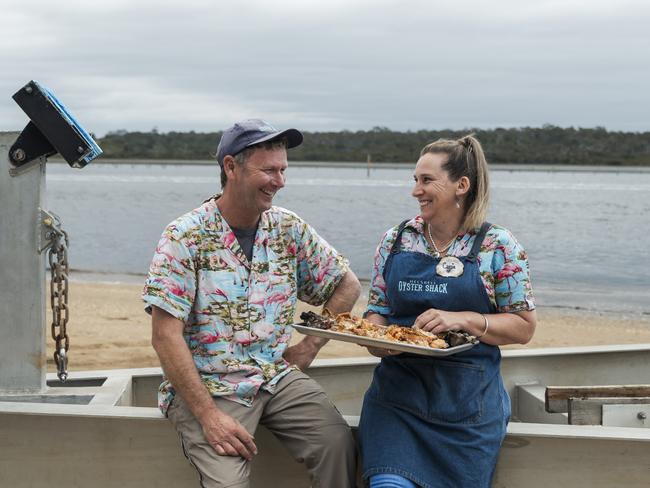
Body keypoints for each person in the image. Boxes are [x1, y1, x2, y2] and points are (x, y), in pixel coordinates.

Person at [142, 119, 361, 487]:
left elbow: (347, 286)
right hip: (209, 386)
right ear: (231, 167)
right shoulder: (184, 236)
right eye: (269, 170)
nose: (280, 181)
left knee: (339, 443)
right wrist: (208, 416)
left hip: (275, 376)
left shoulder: (288, 229)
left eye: (283, 170)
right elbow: (165, 336)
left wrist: (309, 347)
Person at [358, 135, 537, 488]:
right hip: (397, 401)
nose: (416, 191)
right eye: (415, 180)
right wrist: (377, 339)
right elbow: (376, 310)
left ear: (461, 185)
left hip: (467, 410)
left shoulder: (497, 245)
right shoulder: (397, 239)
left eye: (426, 181)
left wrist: (465, 319)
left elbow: (524, 327)